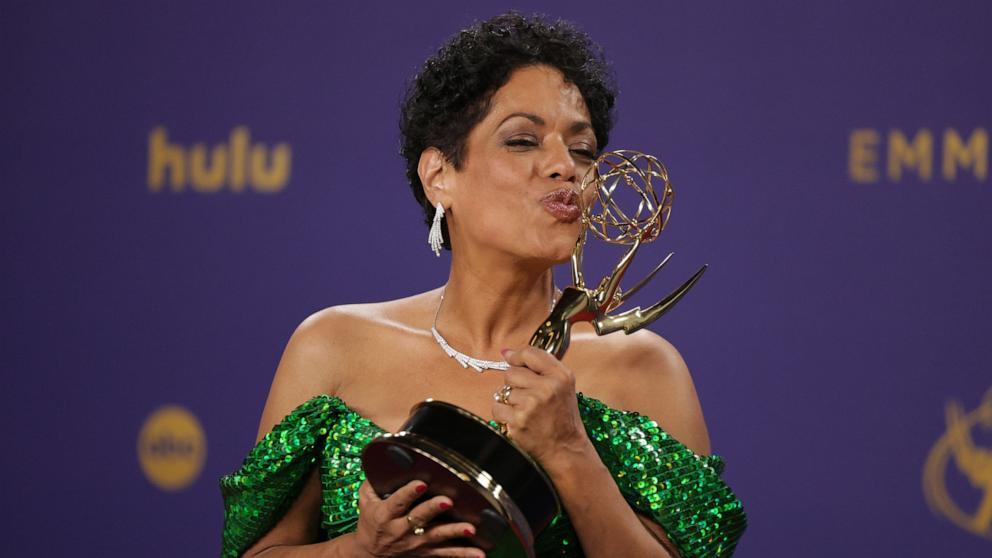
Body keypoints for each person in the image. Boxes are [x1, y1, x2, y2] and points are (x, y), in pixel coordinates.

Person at [221, 12, 746, 558]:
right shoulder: (332, 346)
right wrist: (360, 551)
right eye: (522, 140)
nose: (565, 166)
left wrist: (569, 450)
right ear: (439, 175)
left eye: (583, 149)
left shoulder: (645, 370)